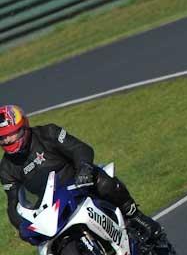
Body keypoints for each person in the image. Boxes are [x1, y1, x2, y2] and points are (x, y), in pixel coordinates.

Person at [0, 105, 161, 245]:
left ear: (24, 127)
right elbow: (13, 203)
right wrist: (21, 226)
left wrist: (84, 168)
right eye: (2, 137)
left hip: (79, 185)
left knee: (104, 182)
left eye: (10, 134)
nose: (7, 140)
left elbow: (80, 148)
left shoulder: (48, 133)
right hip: (50, 209)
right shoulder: (6, 168)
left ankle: (136, 217)